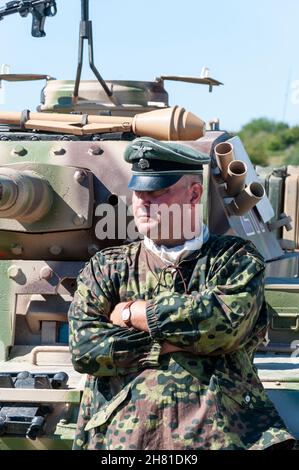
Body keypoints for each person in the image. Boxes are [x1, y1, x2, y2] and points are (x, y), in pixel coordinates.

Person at [68, 137, 294, 450]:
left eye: (158, 191)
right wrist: (176, 342)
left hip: (222, 437)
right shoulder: (108, 267)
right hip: (124, 441)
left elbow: (222, 326)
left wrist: (135, 314)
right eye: (139, 191)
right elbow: (85, 348)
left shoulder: (234, 259)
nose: (143, 201)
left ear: (194, 193)